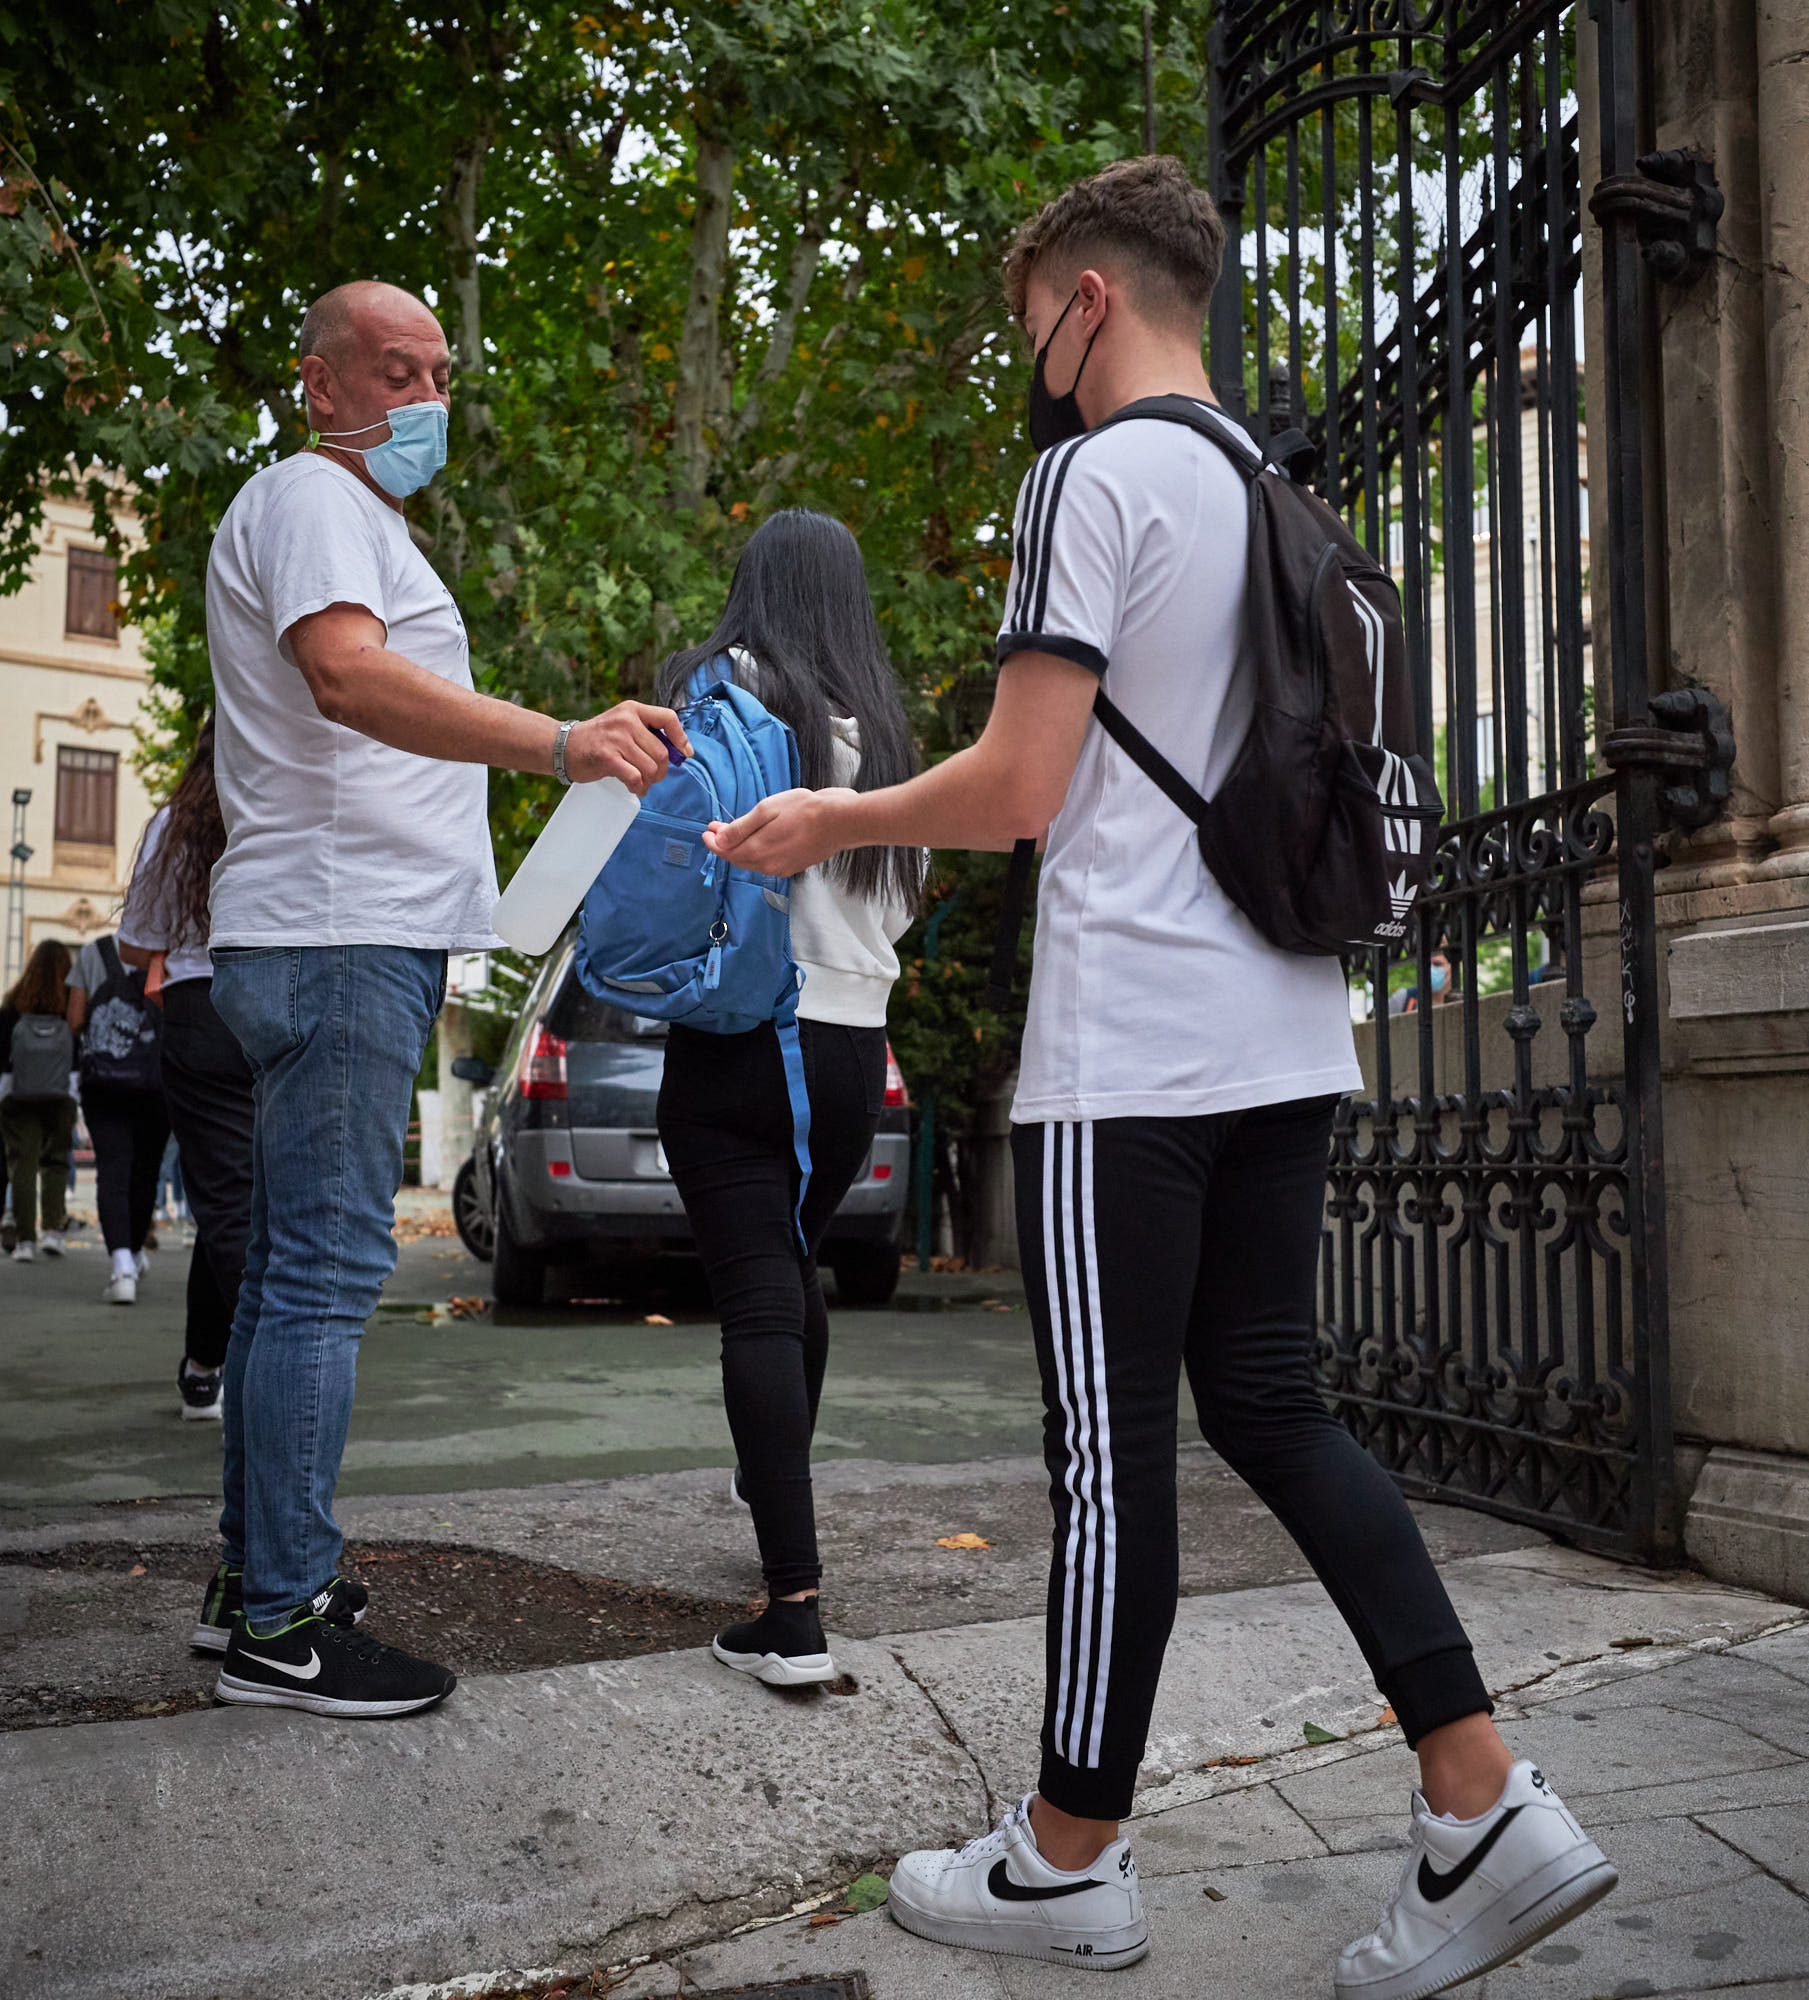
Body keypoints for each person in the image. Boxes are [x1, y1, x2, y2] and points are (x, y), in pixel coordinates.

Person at [704, 157, 1616, 1995]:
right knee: (1274, 1413)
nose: (1025, 354)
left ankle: (1065, 1858)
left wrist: (833, 818)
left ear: (1087, 300)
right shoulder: (1273, 490)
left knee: (1108, 1466)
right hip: (1285, 1031)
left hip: (1127, 1052)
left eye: (1028, 313)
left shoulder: (1090, 477)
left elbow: (1019, 789)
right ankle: (1475, 1798)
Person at [199, 279, 689, 1719]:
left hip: (334, 933)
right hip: (339, 937)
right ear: (322, 388)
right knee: (327, 1277)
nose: (424, 400)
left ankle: (255, 1583)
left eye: (438, 374)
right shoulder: (311, 501)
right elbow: (348, 680)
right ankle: (281, 1624)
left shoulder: (349, 517)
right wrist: (560, 742)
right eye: (393, 374)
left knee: (292, 1267)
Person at [650, 510, 924, 1688]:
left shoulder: (721, 693)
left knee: (760, 1299)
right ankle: (776, 1485)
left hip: (742, 1032)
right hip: (855, 1051)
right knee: (792, 1273)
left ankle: (794, 1609)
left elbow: (673, 844)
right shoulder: (891, 732)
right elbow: (903, 898)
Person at [115, 716, 247, 1428]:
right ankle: (207, 1364)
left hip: (200, 1011)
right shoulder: (289, 801)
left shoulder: (176, 823)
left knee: (226, 1202)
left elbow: (136, 944)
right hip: (287, 1000)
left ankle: (238, 1363)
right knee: (258, 1203)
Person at [66, 929, 167, 1304]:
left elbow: (75, 1017)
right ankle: (136, 1251)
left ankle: (121, 1266)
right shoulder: (167, 948)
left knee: (113, 1168)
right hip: (157, 1081)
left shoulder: (95, 952)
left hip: (104, 1083)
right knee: (146, 1171)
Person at [1, 940, 77, 1263]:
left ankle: (24, 1241)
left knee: (22, 1165)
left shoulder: (13, 1004)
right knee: (56, 1161)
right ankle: (53, 1232)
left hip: (19, 1095)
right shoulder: (70, 1004)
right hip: (61, 1093)